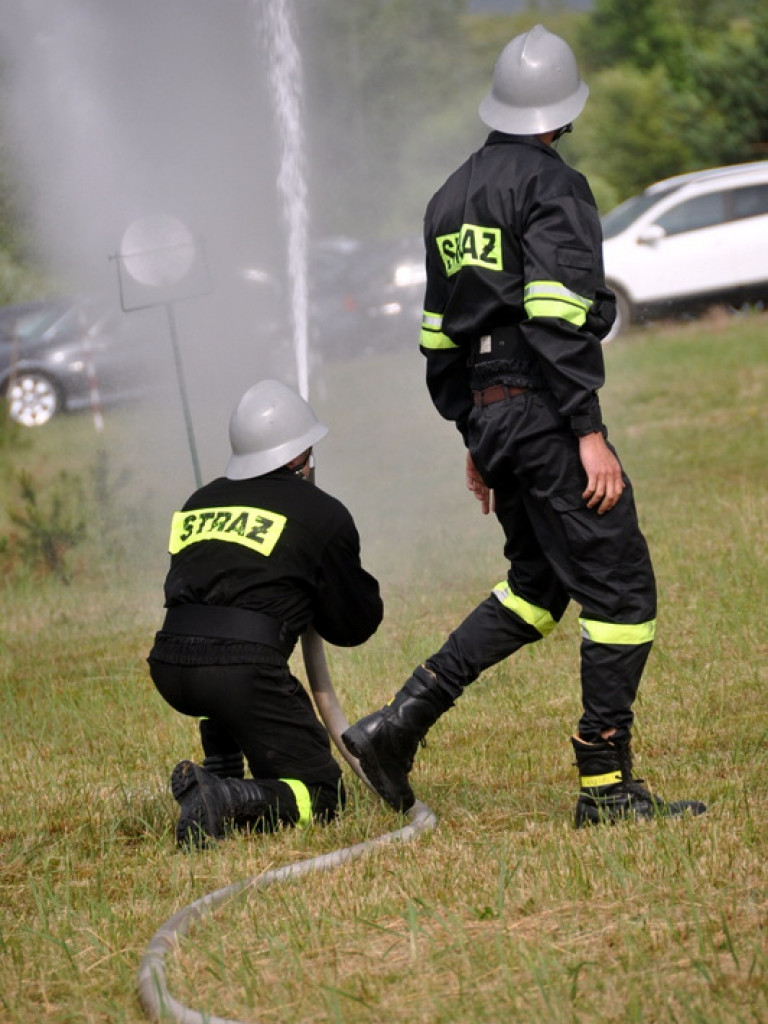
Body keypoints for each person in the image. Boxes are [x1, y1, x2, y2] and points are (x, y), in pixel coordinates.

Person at [342, 25, 706, 827]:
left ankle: (396, 726)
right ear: (562, 112)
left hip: (492, 409)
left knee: (539, 588)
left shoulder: (448, 197)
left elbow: (439, 337)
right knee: (621, 589)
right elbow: (555, 316)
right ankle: (606, 789)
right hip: (544, 409)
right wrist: (587, 429)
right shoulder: (554, 188)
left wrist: (477, 434)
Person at [148, 379, 383, 848]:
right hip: (240, 672)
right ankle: (224, 797)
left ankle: (219, 765)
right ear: (300, 456)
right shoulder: (322, 513)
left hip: (171, 666)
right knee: (320, 793)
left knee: (226, 670)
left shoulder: (199, 500)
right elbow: (352, 626)